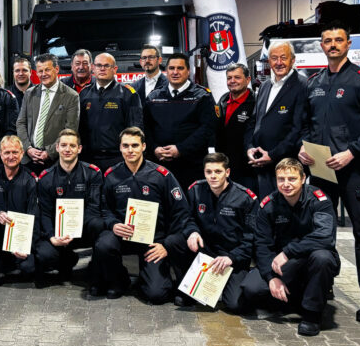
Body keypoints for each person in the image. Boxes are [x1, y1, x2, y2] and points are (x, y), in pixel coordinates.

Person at [299, 21, 360, 323]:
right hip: (322, 170)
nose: (332, 44)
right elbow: (307, 124)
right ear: (321, 45)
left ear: (348, 44)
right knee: (320, 232)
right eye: (327, 40)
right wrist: (303, 146)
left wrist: (352, 152)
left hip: (355, 170)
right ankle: (322, 289)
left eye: (338, 40)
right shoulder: (315, 82)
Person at [241, 158, 340, 336]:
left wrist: (287, 252)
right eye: (281, 179)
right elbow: (262, 245)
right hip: (286, 266)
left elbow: (325, 237)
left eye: (292, 179)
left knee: (323, 258)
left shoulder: (319, 200)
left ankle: (312, 315)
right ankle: (299, 297)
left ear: (303, 179)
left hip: (311, 259)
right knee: (251, 289)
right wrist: (271, 277)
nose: (286, 184)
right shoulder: (268, 205)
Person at [92, 127, 190, 302]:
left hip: (153, 241)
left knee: (157, 295)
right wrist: (114, 224)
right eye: (126, 146)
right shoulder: (111, 175)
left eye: (135, 145)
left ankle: (148, 278)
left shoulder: (162, 175)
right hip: (124, 235)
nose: (130, 150)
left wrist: (166, 245)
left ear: (144, 146)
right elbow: (105, 209)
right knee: (104, 245)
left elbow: (180, 212)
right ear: (120, 148)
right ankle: (119, 281)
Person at [179, 152, 257, 312]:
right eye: (209, 172)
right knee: (175, 241)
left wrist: (232, 257)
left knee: (234, 305)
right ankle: (185, 286)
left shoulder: (245, 198)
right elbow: (186, 218)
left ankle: (233, 281)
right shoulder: (195, 190)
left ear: (227, 172)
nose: (213, 176)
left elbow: (252, 237)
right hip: (205, 253)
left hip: (232, 256)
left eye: (218, 171)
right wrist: (192, 232)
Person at [34, 129, 102, 286]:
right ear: (57, 147)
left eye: (72, 145)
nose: (67, 149)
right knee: (44, 255)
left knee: (98, 225)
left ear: (79, 149)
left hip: (83, 230)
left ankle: (96, 270)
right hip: (57, 233)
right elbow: (44, 212)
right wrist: (51, 236)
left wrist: (75, 229)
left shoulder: (93, 173)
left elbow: (94, 208)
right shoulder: (46, 177)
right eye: (63, 145)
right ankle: (67, 260)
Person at [144, 52, 216, 189]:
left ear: (188, 71)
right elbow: (146, 127)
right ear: (166, 71)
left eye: (180, 68)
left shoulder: (202, 96)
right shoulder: (153, 97)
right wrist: (154, 149)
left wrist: (180, 149)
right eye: (171, 68)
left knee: (190, 207)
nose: (175, 72)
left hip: (192, 166)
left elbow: (207, 129)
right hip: (159, 165)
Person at [248, 41, 306, 196]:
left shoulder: (303, 86)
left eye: (283, 57)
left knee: (286, 214)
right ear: (269, 61)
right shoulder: (265, 86)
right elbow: (255, 121)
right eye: (274, 58)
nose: (279, 63)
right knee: (266, 210)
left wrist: (273, 155)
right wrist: (249, 147)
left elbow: (297, 129)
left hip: (286, 165)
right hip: (261, 162)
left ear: (292, 60)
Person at [0, 135, 38, 288]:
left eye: (15, 152)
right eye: (6, 152)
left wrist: (25, 245)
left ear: (22, 153)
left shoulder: (30, 179)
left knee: (28, 269)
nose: (11, 156)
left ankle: (10, 260)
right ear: (0, 154)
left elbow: (33, 215)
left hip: (19, 235)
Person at [16, 53, 80, 174]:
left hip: (55, 161)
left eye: (47, 70)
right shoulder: (29, 93)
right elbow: (20, 123)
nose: (43, 74)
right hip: (29, 160)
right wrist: (28, 148)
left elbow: (70, 130)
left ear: (56, 69)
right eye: (40, 71)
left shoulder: (71, 96)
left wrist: (49, 152)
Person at [78, 52, 142, 172]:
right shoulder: (84, 94)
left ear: (115, 69)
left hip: (118, 159)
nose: (102, 69)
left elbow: (135, 129)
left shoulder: (128, 94)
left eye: (107, 66)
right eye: (98, 65)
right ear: (93, 68)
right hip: (88, 159)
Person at [216, 63, 257, 193]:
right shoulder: (223, 100)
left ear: (248, 79)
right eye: (229, 78)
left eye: (237, 77)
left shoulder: (256, 102)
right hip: (224, 165)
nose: (232, 81)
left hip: (247, 167)